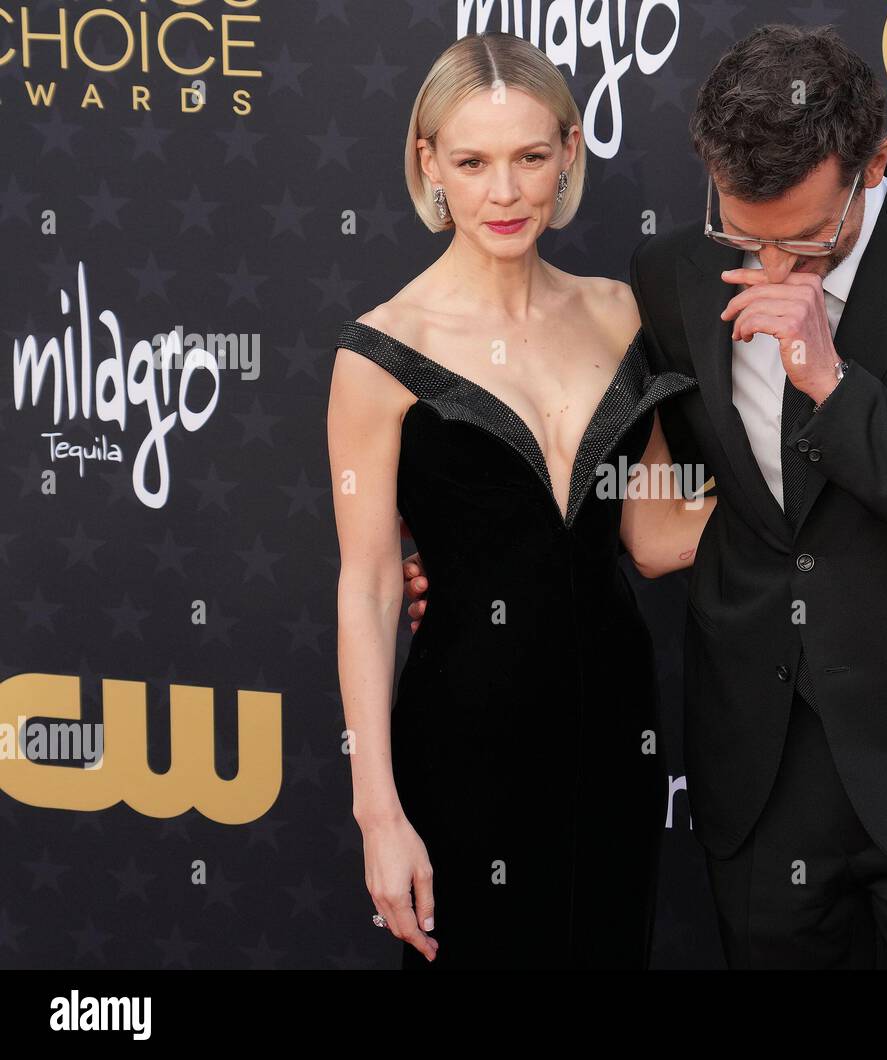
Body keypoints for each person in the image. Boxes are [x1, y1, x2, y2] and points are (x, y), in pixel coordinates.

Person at [404, 23, 887, 969]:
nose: (769, 269)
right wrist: (477, 563)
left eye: (805, 241)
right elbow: (645, 492)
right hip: (763, 786)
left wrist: (834, 386)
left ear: (873, 166)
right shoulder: (670, 274)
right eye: (741, 235)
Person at [328, 31, 713, 969]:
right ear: (430, 166)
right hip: (466, 738)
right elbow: (373, 588)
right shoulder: (378, 355)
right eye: (473, 161)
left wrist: (816, 473)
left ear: (569, 154)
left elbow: (657, 535)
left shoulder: (625, 312)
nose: (504, 192)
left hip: (616, 728)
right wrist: (378, 813)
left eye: (530, 157)